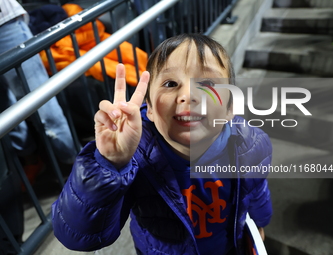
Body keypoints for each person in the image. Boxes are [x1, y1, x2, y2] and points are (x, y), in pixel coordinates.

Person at [52, 34, 272, 255]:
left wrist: (261, 223)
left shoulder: (248, 144)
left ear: (229, 109)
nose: (187, 95)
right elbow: (81, 237)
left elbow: (256, 191)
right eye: (170, 83)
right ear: (149, 109)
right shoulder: (135, 157)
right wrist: (109, 165)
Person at [0, 0, 77, 171]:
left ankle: (77, 166)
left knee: (43, 105)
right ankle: (31, 161)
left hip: (4, 21)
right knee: (4, 110)